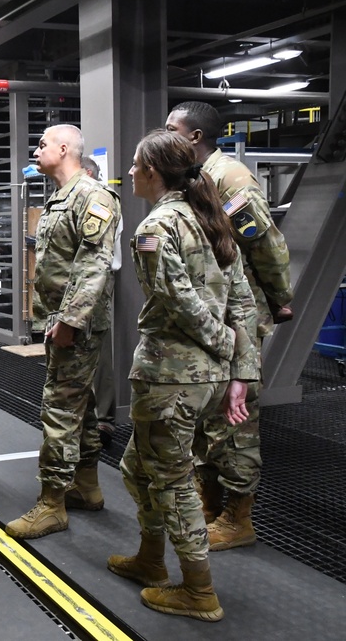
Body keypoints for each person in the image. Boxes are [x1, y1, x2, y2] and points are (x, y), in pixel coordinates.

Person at [108, 129, 259, 622]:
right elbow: (243, 299)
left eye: (135, 165)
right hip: (206, 378)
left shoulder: (156, 227)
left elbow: (178, 300)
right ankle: (151, 560)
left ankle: (198, 591)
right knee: (137, 467)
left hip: (171, 376)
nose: (129, 172)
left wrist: (222, 345)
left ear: (153, 172)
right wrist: (238, 369)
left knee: (172, 480)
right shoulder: (209, 218)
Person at [166, 101, 294, 549]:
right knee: (205, 412)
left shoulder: (230, 177)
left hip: (237, 314)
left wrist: (279, 300)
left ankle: (238, 516)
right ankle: (209, 501)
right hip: (205, 316)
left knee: (235, 416)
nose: (165, 135)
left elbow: (265, 244)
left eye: (171, 129)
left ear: (195, 137)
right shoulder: (190, 180)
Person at [5, 125, 121, 539]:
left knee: (58, 409)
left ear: (65, 148)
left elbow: (94, 265)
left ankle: (52, 503)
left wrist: (70, 322)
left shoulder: (92, 196)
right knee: (83, 406)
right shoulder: (60, 198)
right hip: (60, 321)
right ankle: (86, 487)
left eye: (41, 144)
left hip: (75, 325)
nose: (35, 150)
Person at [81, 155, 120, 450]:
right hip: (76, 287)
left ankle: (103, 419)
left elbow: (95, 257)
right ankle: (85, 416)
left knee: (99, 351)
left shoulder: (100, 202)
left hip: (97, 283)